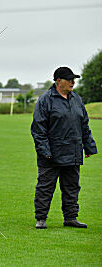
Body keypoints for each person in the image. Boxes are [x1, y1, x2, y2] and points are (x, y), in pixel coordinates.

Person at [31, 66, 97, 229]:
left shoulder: (77, 99)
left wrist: (88, 146)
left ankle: (71, 218)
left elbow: (84, 125)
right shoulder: (45, 100)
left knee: (72, 187)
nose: (73, 82)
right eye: (70, 79)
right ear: (58, 81)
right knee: (45, 188)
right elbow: (38, 129)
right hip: (51, 154)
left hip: (72, 152)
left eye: (74, 79)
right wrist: (45, 151)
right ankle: (41, 218)